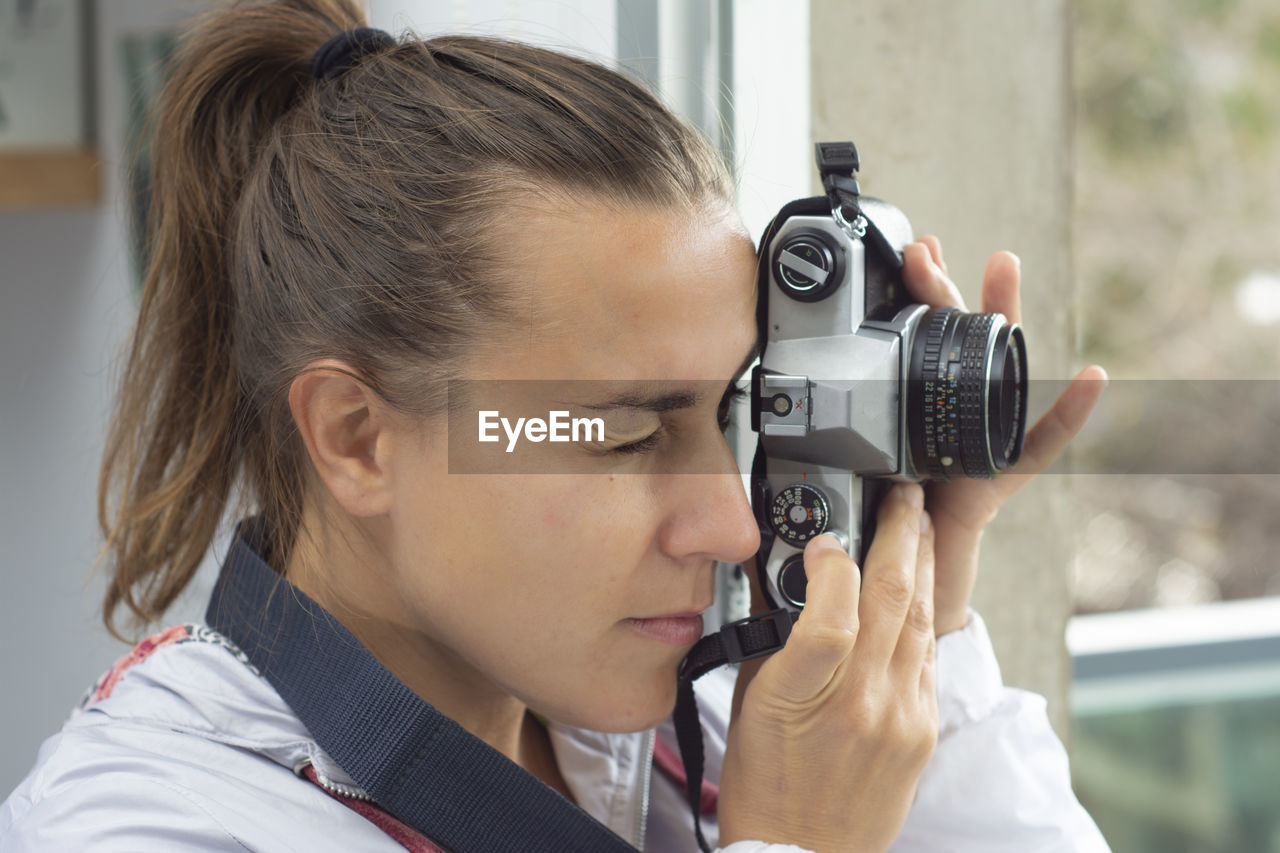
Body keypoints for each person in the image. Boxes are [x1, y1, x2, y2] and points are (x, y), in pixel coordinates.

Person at [0, 1, 1111, 850]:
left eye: (730, 410)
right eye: (628, 433)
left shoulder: (695, 730)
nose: (730, 528)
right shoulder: (145, 824)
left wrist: (925, 616)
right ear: (355, 437)